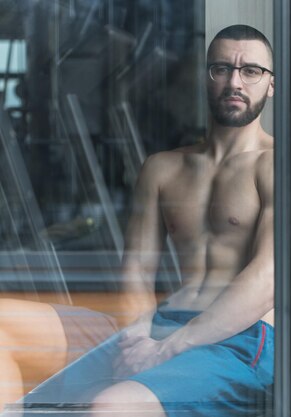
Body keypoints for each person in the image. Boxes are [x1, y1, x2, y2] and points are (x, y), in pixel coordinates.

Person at [0, 24, 275, 417]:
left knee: (112, 406)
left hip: (238, 339)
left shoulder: (282, 166)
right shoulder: (162, 168)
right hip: (152, 325)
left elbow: (267, 281)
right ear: (205, 77)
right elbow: (137, 270)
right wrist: (137, 338)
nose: (235, 80)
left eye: (250, 70)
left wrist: (168, 348)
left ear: (272, 85)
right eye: (221, 68)